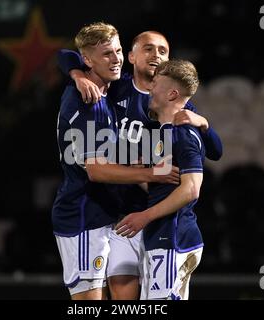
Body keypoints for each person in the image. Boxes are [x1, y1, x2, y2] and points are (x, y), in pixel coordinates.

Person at [57, 31, 222, 299]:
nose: (156, 54)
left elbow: (215, 151)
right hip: (123, 220)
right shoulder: (114, 88)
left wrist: (203, 123)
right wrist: (77, 74)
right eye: (148, 48)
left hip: (159, 218)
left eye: (163, 50)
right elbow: (66, 55)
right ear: (131, 56)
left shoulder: (176, 105)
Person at [53, 23, 179, 300]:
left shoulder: (106, 90)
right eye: (107, 54)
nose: (116, 60)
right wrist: (153, 175)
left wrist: (76, 72)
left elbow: (65, 54)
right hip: (82, 214)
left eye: (119, 51)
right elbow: (96, 171)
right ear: (88, 60)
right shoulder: (88, 102)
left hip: (103, 215)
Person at [116, 59, 205, 300]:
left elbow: (190, 189)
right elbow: (165, 186)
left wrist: (144, 217)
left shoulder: (183, 134)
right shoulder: (163, 133)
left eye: (155, 83)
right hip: (163, 235)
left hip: (172, 235)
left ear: (172, 93)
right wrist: (137, 174)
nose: (150, 88)